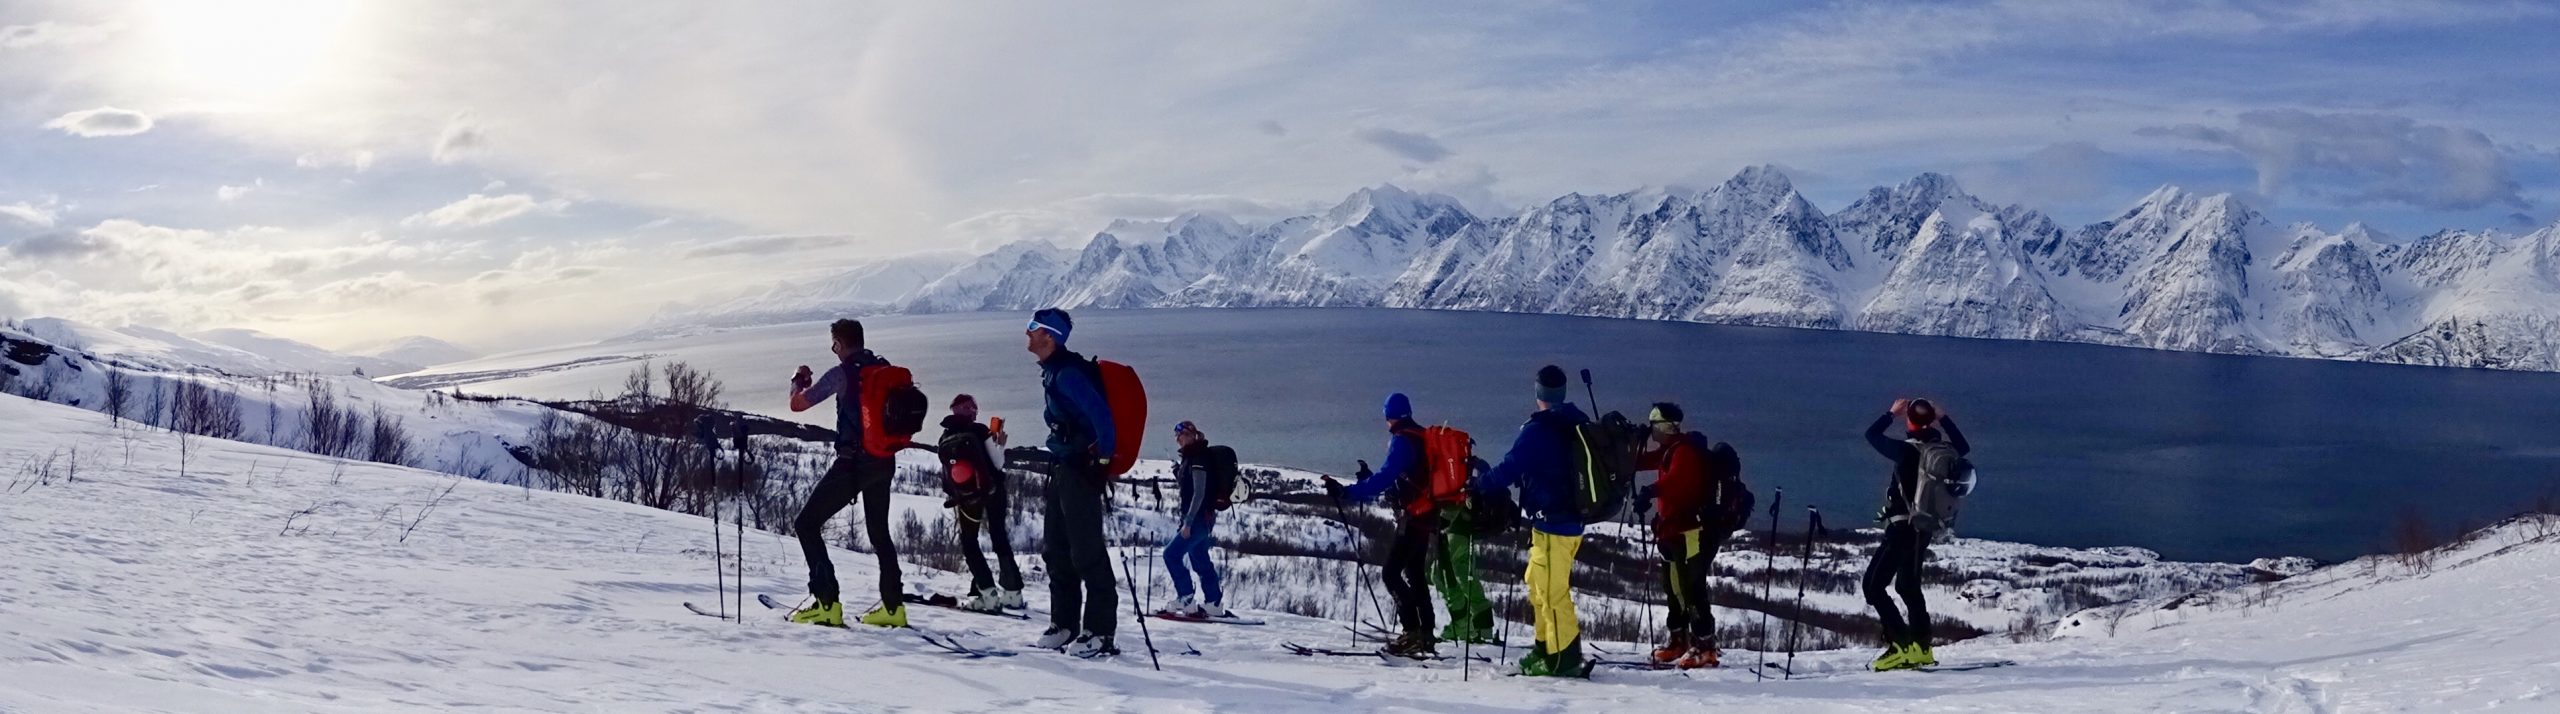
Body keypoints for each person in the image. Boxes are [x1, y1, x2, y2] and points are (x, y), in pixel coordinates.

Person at [783, 318, 906, 628]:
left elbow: (798, 405)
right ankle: (893, 608)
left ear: (838, 343)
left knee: (806, 524)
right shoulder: (883, 367)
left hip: (853, 463)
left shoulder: (841, 374)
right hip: (884, 460)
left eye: (834, 343)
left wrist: (797, 380)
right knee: (879, 533)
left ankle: (826, 603)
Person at [1474, 366, 1594, 677]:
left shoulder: (1539, 430)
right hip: (1561, 522)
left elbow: (1510, 467)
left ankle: (1563, 659)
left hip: (1555, 522)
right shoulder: (1576, 422)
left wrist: (1477, 484)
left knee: (1552, 592)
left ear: (1538, 393)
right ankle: (1544, 646)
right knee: (1537, 584)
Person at [1026, 308, 1121, 658]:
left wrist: (1103, 462)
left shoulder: (1068, 374)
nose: (1027, 333)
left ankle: (1100, 631)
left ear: (1050, 336)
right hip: (1064, 466)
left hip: (1081, 469)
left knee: (1086, 551)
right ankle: (1064, 623)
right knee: (1056, 548)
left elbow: (1103, 418)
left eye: (1033, 328)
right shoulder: (1054, 371)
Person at [1322, 392, 1441, 657]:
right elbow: (1405, 479)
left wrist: (1349, 492)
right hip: (1427, 514)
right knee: (1415, 575)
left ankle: (1411, 632)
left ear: (1389, 416)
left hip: (1413, 517)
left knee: (1390, 573)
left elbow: (1388, 477)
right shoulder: (1421, 436)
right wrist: (1368, 479)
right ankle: (1426, 632)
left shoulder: (1401, 441)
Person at [1862, 397, 1970, 671]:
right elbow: (1964, 448)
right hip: (1924, 528)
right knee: (1908, 587)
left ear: (1908, 420)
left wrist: (1890, 413)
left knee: (1873, 586)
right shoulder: (1944, 450)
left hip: (1901, 528)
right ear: (1931, 420)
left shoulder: (1906, 452)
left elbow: (1872, 435)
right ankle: (1922, 648)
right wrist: (1943, 418)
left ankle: (1901, 646)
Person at [1633, 402, 1736, 669]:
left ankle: (1705, 647)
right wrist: (1637, 443)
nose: (1653, 430)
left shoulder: (1685, 452)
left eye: (1654, 425)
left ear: (1664, 426)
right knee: (1674, 587)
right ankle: (1679, 640)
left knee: (1692, 588)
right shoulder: (1670, 450)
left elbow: (1676, 481)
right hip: (1672, 530)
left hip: (1692, 532)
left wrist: (1649, 492)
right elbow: (1639, 462)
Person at [938, 394, 1024, 613]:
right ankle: (1012, 593)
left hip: (967, 496)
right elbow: (997, 462)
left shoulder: (945, 436)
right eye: (969, 407)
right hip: (993, 489)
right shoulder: (979, 430)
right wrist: (1000, 444)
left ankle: (987, 594)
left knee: (969, 541)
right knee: (999, 536)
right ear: (957, 408)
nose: (973, 411)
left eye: (974, 407)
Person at [1161, 421, 1236, 620]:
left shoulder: (1198, 458)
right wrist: (1178, 471)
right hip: (1204, 519)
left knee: (1171, 555)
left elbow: (1199, 493)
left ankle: (1185, 597)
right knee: (1199, 558)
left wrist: (1188, 522)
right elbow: (1191, 486)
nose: (1178, 438)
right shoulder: (1193, 458)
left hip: (1197, 520)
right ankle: (1213, 603)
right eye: (1176, 435)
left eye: (1182, 434)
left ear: (1193, 435)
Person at [1429, 454, 1498, 646]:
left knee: (1449, 574)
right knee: (1450, 573)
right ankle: (1477, 626)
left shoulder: (1459, 467)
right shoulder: (1468, 465)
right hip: (1454, 525)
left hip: (1458, 526)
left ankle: (1466, 626)